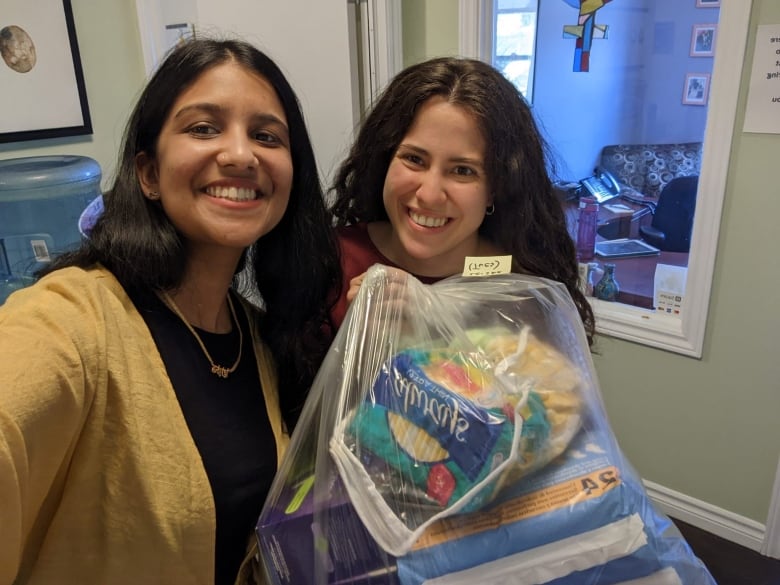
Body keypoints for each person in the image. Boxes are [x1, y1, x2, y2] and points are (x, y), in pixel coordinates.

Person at [0, 38, 339, 585]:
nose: (240, 154)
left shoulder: (257, 336)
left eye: (266, 135)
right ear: (148, 174)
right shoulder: (74, 317)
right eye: (204, 128)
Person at [329, 56, 595, 343]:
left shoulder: (521, 289)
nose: (429, 195)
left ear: (497, 186)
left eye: (462, 171)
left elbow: (548, 383)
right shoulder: (332, 260)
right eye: (414, 159)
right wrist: (355, 338)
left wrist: (433, 323)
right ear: (384, 160)